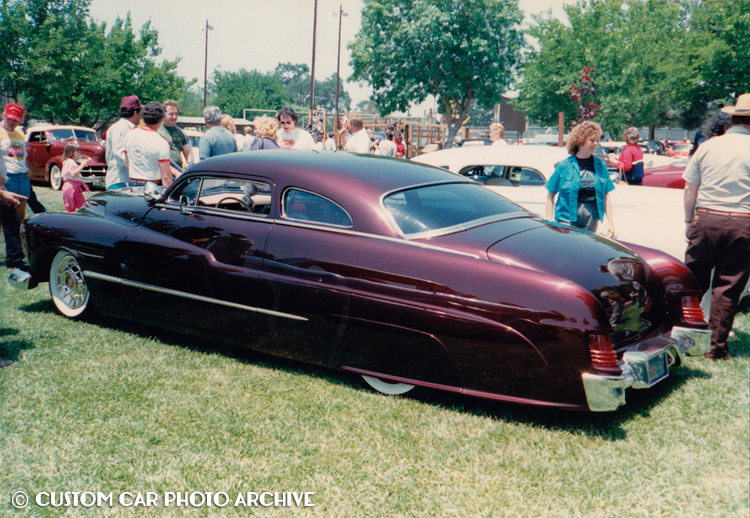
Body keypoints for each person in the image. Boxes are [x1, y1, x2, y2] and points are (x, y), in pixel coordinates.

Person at [682, 93, 750, 360]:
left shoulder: (708, 146)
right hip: (743, 222)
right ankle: (715, 348)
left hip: (706, 218)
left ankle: (681, 335)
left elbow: (690, 189)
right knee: (728, 287)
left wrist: (689, 222)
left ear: (732, 119)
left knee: (691, 281)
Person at [545, 120, 616, 237]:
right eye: (592, 140)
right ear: (580, 140)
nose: (596, 144)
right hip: (566, 218)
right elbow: (550, 194)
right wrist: (549, 222)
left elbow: (606, 196)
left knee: (585, 250)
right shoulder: (564, 165)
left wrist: (611, 224)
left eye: (597, 140)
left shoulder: (600, 165)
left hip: (591, 217)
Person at [0, 103, 31, 268]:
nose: (12, 122)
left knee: (19, 218)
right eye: (10, 119)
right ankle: (12, 257)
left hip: (21, 178)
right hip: (7, 179)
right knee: (6, 219)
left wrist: (28, 169)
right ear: (4, 115)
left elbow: (23, 154)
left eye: (16, 120)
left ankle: (20, 253)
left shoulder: (19, 133)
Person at [124, 101, 173, 187]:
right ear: (160, 120)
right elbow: (166, 177)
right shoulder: (161, 142)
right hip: (152, 186)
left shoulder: (129, 135)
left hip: (132, 183)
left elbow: (127, 164)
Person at [105, 95, 142, 189]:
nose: (141, 115)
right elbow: (120, 155)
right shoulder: (120, 128)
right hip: (118, 180)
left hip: (127, 180)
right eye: (140, 112)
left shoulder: (130, 128)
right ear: (135, 113)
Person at [158, 100, 192, 169]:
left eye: (176, 114)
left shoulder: (180, 133)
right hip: (163, 170)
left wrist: (189, 166)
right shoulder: (158, 131)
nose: (174, 117)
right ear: (163, 114)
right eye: (171, 114)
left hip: (178, 171)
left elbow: (188, 155)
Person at [60, 142, 91, 212]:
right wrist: (82, 165)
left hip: (73, 187)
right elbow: (73, 174)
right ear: (71, 152)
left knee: (73, 208)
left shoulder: (69, 161)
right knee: (81, 207)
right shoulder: (70, 162)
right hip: (72, 188)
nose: (79, 154)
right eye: (77, 152)